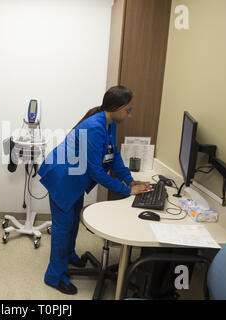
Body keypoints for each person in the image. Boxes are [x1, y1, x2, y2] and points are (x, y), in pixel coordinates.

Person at [38, 86, 152, 294]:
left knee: (73, 221)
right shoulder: (95, 127)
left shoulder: (109, 124)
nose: (129, 114)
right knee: (63, 228)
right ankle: (54, 275)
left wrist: (130, 180)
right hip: (63, 178)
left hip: (76, 178)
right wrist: (127, 191)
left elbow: (113, 155)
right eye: (128, 110)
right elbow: (97, 171)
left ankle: (69, 255)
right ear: (116, 108)